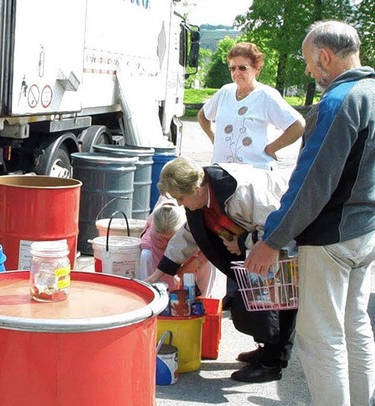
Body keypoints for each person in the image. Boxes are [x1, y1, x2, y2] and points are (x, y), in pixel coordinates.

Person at [245, 21, 375, 405]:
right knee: (356, 326)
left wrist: (272, 240)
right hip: (365, 234)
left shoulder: (338, 102)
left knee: (322, 338)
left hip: (331, 237)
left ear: (324, 56)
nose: (306, 71)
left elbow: (310, 184)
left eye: (307, 61)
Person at [145, 156, 297, 383]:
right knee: (254, 301)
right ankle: (267, 350)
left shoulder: (241, 191)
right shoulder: (202, 195)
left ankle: (272, 362)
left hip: (281, 240)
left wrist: (243, 240)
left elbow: (278, 223)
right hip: (255, 241)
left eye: (180, 198)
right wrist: (160, 272)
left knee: (279, 299)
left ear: (195, 188)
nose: (178, 204)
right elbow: (188, 234)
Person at [198, 42, 305, 170]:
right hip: (222, 172)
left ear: (257, 68)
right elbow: (203, 115)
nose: (237, 72)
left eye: (243, 68)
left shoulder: (266, 95)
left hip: (254, 174)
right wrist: (213, 137)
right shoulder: (224, 92)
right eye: (233, 68)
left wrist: (271, 149)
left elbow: (298, 126)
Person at [138, 199, 221, 297]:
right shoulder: (156, 233)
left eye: (173, 238)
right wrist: (174, 289)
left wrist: (194, 263)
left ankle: (204, 298)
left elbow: (212, 248)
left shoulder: (196, 221)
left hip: (198, 251)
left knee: (209, 263)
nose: (170, 242)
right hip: (162, 254)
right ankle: (160, 296)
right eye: (166, 239)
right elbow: (163, 264)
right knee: (146, 255)